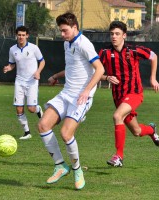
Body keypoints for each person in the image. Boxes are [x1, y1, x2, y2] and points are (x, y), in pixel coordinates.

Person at [38, 12, 104, 190]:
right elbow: (73, 69)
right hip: (66, 93)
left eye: (65, 30)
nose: (62, 34)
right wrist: (55, 76)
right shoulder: (68, 43)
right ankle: (60, 165)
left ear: (75, 27)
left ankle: (77, 170)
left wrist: (86, 91)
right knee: (43, 125)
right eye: (60, 31)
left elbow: (99, 69)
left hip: (81, 97)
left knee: (66, 134)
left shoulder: (84, 44)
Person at [99, 21, 159, 167]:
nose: (114, 37)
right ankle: (152, 130)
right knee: (137, 131)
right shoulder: (105, 53)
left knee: (117, 116)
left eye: (117, 34)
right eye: (112, 34)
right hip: (119, 98)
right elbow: (94, 73)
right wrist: (106, 77)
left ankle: (118, 156)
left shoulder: (133, 50)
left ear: (124, 35)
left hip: (134, 93)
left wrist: (152, 78)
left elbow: (153, 56)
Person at [3, 26, 45, 140]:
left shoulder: (34, 48)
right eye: (19, 35)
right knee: (19, 109)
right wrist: (8, 68)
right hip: (19, 81)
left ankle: (38, 109)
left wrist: (38, 71)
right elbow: (12, 64)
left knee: (31, 109)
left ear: (27, 35)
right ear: (16, 35)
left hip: (32, 81)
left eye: (23, 35)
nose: (21, 37)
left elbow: (42, 61)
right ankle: (27, 133)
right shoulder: (12, 49)